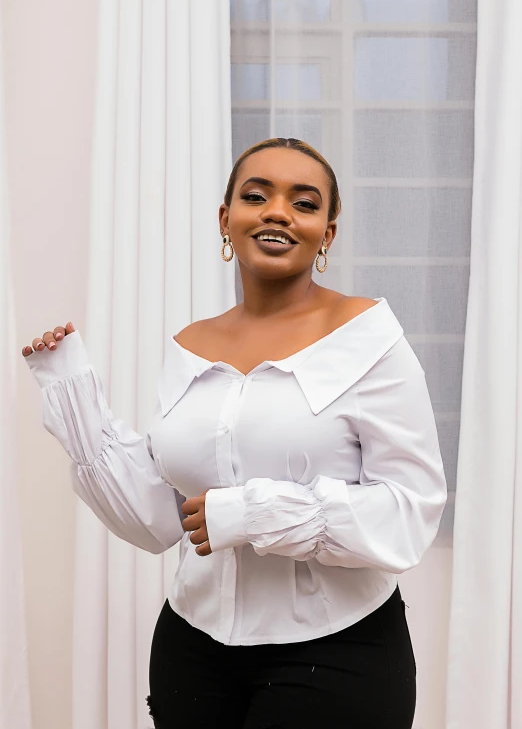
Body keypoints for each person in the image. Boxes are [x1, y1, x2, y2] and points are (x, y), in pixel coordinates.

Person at [22, 137, 447, 729]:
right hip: (192, 650)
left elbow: (410, 513)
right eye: (256, 195)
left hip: (337, 653)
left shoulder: (368, 339)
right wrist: (71, 395)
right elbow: (157, 517)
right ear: (227, 220)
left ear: (327, 232)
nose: (277, 211)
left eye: (304, 203)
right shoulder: (190, 347)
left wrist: (255, 514)